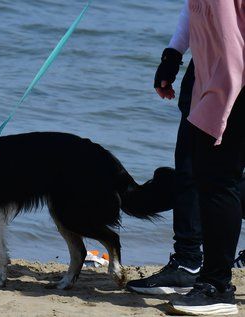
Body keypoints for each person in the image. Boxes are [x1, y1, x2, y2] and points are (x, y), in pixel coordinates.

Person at [128, 1, 245, 315]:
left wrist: (225, 101)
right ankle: (193, 265)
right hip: (213, 68)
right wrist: (173, 53)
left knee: (218, 178)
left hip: (230, 76)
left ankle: (217, 286)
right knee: (205, 171)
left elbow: (233, 41)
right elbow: (197, 9)